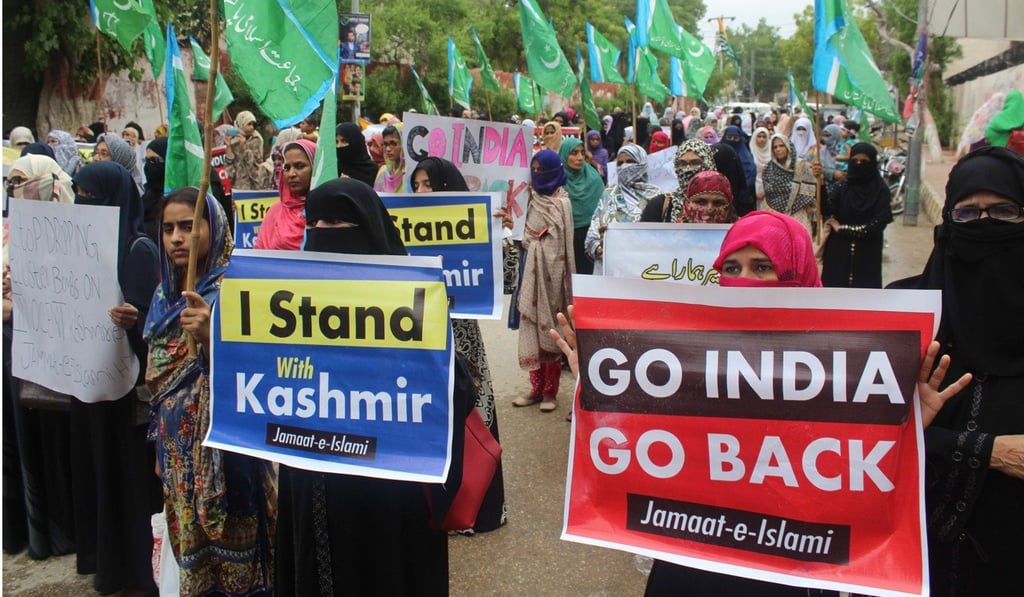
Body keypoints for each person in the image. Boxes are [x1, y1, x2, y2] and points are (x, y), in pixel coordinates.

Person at [275, 177, 476, 596]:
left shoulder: (412, 300)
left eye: (340, 222)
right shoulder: (288, 300)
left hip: (390, 489)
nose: (326, 234)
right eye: (318, 223)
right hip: (314, 477)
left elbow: (454, 392)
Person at [889, 146, 1024, 595]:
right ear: (947, 223)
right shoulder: (903, 312)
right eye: (967, 214)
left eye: (1003, 211)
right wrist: (986, 450)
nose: (985, 224)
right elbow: (856, 444)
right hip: (920, 558)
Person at [145, 188, 275, 596]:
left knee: (237, 558)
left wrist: (211, 340)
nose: (176, 239)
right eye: (168, 229)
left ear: (214, 228)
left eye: (188, 226)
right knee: (193, 555)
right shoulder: (164, 297)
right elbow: (159, 385)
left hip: (229, 453)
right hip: (177, 451)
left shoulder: (239, 290)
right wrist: (159, 450)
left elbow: (266, 377)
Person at [71, 161, 161, 595]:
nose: (82, 203)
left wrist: (133, 320)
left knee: (129, 484)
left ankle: (134, 572)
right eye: (78, 193)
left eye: (90, 195)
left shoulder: (137, 250)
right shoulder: (77, 247)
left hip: (127, 395)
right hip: (91, 387)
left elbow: (154, 328)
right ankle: (104, 562)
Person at [409, 157, 508, 533]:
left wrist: (500, 238)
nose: (420, 193)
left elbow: (507, 281)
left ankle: (478, 511)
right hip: (420, 341)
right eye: (415, 185)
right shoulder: (401, 229)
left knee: (472, 421)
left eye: (428, 185)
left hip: (462, 340)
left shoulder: (475, 228)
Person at [4, 155, 77, 560]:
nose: (15, 191)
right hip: (12, 346)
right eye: (10, 183)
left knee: (53, 443)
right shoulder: (8, 232)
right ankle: (27, 532)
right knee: (20, 442)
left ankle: (64, 531)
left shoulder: (70, 228)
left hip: (57, 349)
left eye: (21, 182)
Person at [511, 149, 574, 413]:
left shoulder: (562, 203)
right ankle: (535, 389)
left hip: (555, 275)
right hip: (530, 272)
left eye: (542, 169)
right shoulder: (528, 198)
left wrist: (536, 242)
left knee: (552, 331)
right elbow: (522, 237)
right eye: (533, 169)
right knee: (532, 331)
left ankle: (550, 393)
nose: (537, 174)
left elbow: (563, 244)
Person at [585, 144, 666, 275]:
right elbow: (592, 234)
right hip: (611, 269)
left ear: (642, 163)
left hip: (647, 268)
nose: (624, 166)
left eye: (630, 161)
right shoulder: (608, 195)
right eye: (620, 163)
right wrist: (600, 248)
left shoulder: (658, 196)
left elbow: (666, 237)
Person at [820, 143, 892, 288]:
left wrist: (842, 229)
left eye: (864, 162)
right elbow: (827, 209)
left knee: (864, 297)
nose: (859, 165)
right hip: (838, 252)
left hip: (868, 251)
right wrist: (821, 185)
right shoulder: (842, 187)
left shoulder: (881, 191)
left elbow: (877, 225)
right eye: (855, 161)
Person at [254, 139, 316, 250]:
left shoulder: (327, 213)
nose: (291, 174)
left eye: (299, 166)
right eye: (287, 168)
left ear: (315, 167)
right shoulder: (276, 211)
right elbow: (259, 256)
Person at [558, 136, 603, 276]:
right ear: (564, 154)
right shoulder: (556, 180)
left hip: (589, 236)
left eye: (582, 153)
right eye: (574, 153)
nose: (580, 157)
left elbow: (603, 209)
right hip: (563, 236)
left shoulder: (594, 178)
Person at [640, 138, 715, 223]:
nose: (688, 169)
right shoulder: (660, 204)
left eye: (695, 163)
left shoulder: (721, 203)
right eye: (682, 164)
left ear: (709, 163)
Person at [762, 134, 820, 237]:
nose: (778, 149)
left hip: (799, 214)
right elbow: (769, 194)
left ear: (788, 147)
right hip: (775, 215)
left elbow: (810, 192)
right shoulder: (768, 169)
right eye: (775, 147)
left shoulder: (802, 166)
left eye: (781, 146)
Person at [140, 137, 168, 241]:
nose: (148, 165)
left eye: (154, 160)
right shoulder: (145, 195)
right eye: (146, 160)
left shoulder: (177, 195)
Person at [229, 111, 265, 190]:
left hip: (253, 184)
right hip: (237, 185)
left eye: (253, 124)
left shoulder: (256, 139)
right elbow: (230, 163)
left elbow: (256, 164)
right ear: (241, 124)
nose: (252, 127)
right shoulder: (233, 140)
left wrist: (244, 147)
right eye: (249, 124)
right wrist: (228, 146)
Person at [335, 122, 379, 187]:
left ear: (355, 142)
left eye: (344, 141)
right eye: (337, 142)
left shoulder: (372, 169)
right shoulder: (335, 168)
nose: (339, 146)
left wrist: (353, 185)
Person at [373, 125, 405, 193]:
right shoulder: (383, 172)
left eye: (393, 143)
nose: (388, 149)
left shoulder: (410, 174)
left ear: (403, 144)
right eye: (385, 144)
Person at [749, 126, 772, 203]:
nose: (761, 139)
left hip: (770, 187)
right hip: (753, 186)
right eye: (759, 136)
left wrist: (766, 191)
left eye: (764, 137)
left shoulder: (772, 153)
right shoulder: (750, 152)